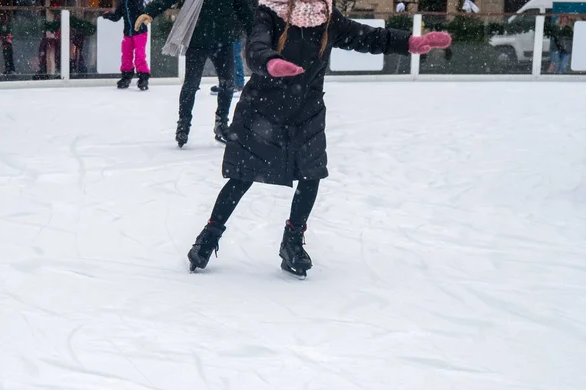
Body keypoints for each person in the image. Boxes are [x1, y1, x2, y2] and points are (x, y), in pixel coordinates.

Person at [186, 0, 451, 279]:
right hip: (263, 108)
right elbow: (255, 47)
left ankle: (292, 243)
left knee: (310, 175)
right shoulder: (268, 13)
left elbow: (368, 36)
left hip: (306, 110)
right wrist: (270, 62)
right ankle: (209, 236)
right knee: (242, 176)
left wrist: (409, 42)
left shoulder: (327, 18)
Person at [136, 0, 254, 146]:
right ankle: (183, 124)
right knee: (191, 84)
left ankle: (221, 123)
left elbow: (243, 9)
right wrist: (150, 12)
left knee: (228, 84)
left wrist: (256, 34)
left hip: (224, 40)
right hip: (198, 40)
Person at [104, 0, 151, 90]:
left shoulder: (140, 2)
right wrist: (108, 15)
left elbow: (146, 11)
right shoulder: (123, 3)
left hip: (140, 32)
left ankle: (143, 78)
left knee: (139, 55)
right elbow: (117, 17)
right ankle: (126, 76)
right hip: (128, 33)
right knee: (126, 55)